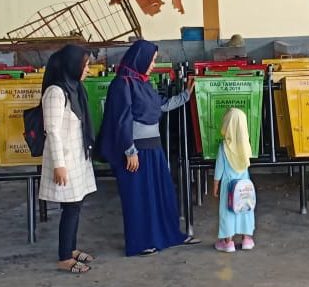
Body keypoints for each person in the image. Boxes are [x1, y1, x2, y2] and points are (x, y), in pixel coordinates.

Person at [96, 40, 200, 257]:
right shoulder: (122, 84)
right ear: (140, 59)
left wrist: (186, 96)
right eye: (152, 60)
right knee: (139, 198)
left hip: (154, 149)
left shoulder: (143, 84)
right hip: (135, 153)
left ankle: (165, 235)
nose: (153, 65)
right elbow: (121, 120)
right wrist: (129, 150)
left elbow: (160, 105)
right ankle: (140, 243)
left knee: (160, 195)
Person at [38, 45, 98, 273]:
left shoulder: (74, 89)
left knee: (77, 204)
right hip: (65, 160)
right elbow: (52, 130)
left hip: (77, 157)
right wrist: (59, 165)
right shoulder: (56, 92)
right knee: (71, 207)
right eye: (85, 65)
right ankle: (64, 257)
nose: (87, 70)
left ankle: (71, 248)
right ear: (72, 65)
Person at [213, 108, 255, 253]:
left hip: (228, 185)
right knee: (245, 211)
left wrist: (215, 185)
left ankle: (228, 242)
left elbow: (219, 169)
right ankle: (246, 239)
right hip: (244, 184)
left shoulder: (224, 147)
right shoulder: (246, 145)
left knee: (228, 213)